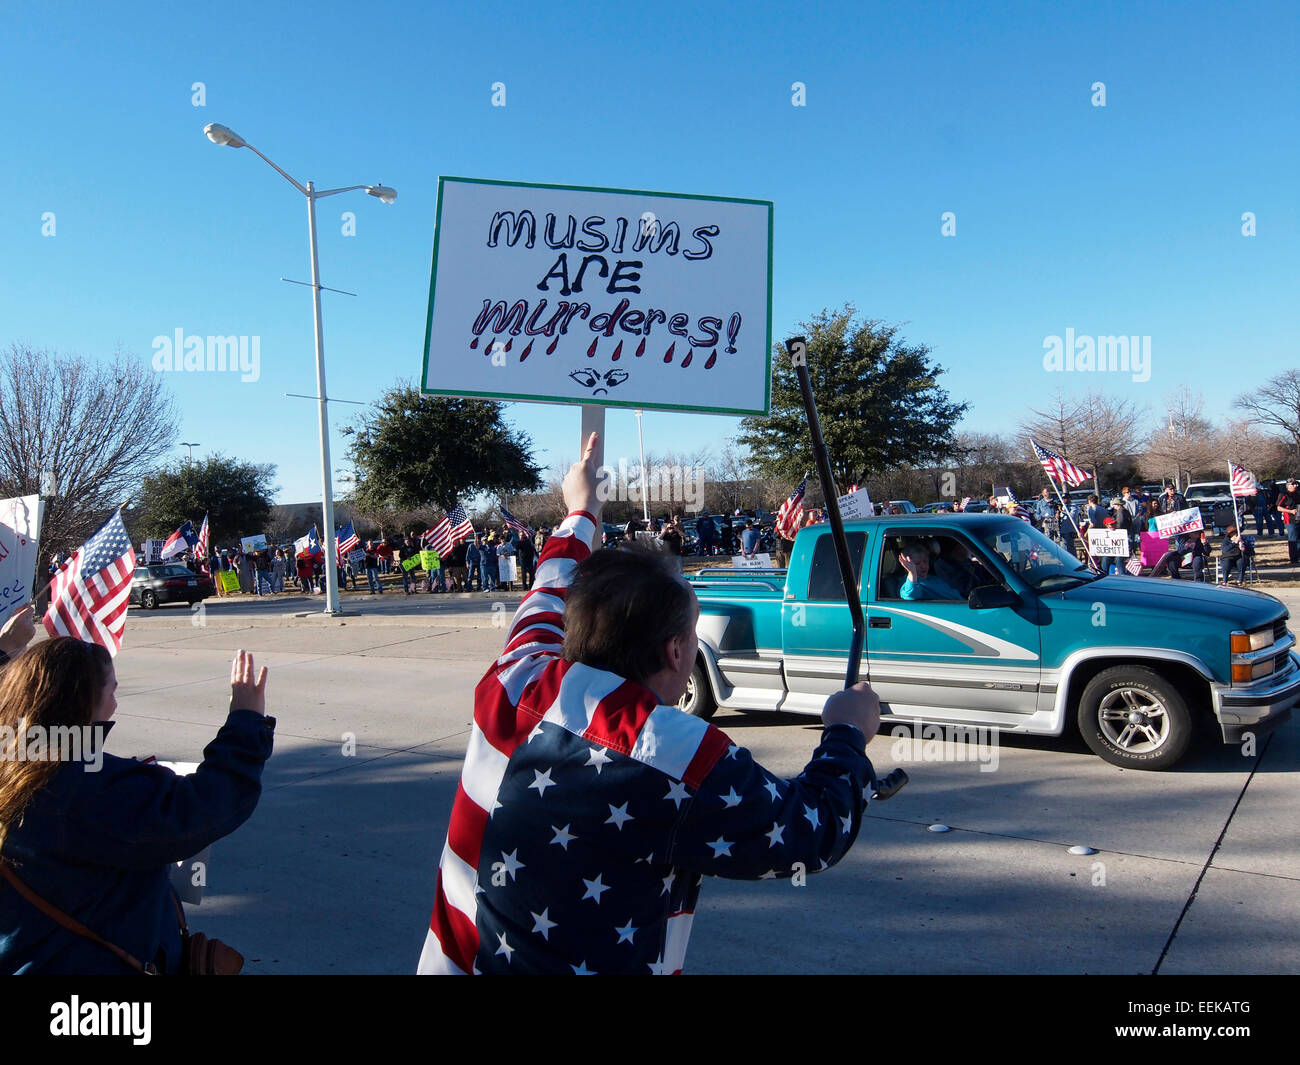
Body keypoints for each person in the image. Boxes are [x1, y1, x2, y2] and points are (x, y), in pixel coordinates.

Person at [416, 433, 880, 976]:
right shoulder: (678, 754)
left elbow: (550, 585)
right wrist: (846, 735)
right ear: (678, 649)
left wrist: (581, 510)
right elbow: (809, 834)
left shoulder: (516, 676)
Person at [0, 643, 273, 974]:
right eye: (111, 691)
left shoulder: (15, 766)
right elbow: (203, 807)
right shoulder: (80, 787)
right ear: (83, 700)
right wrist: (246, 720)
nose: (115, 706)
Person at [897, 543, 964, 600]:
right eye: (917, 563)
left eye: (925, 561)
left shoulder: (934, 579)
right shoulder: (907, 583)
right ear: (907, 566)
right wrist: (912, 573)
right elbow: (910, 595)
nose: (923, 566)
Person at [1277, 479, 1300, 564]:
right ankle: (1293, 558)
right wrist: (1290, 511)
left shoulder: (1297, 494)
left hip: (1298, 518)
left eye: (1296, 484)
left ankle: (1298, 556)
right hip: (1290, 520)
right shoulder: (1284, 495)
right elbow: (1278, 507)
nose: (1296, 486)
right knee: (1293, 539)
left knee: (1299, 538)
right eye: (1293, 484)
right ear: (1288, 485)